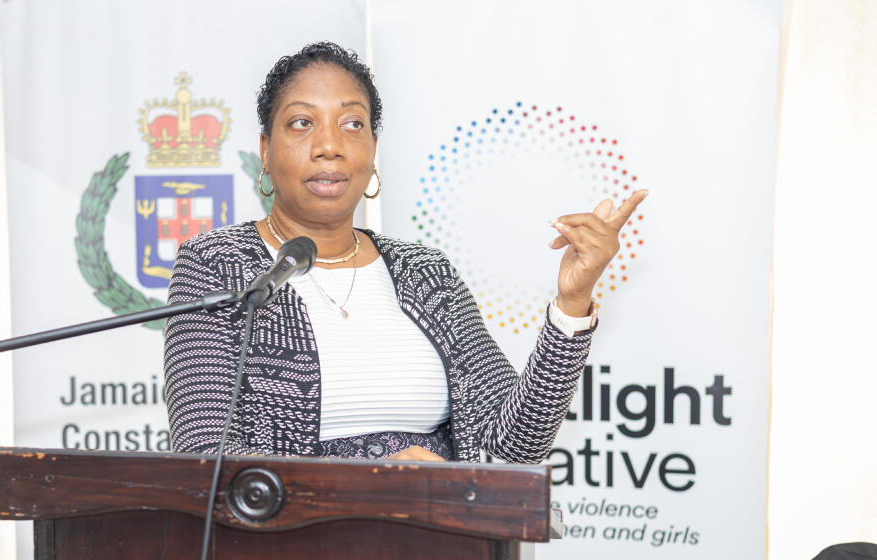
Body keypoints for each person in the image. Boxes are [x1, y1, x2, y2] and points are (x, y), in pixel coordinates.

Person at [163, 41, 646, 463]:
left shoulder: (425, 273)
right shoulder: (218, 265)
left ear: (373, 149)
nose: (329, 145)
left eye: (352, 123)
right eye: (303, 122)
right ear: (265, 150)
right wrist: (375, 482)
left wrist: (571, 304)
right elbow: (205, 454)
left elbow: (515, 445)